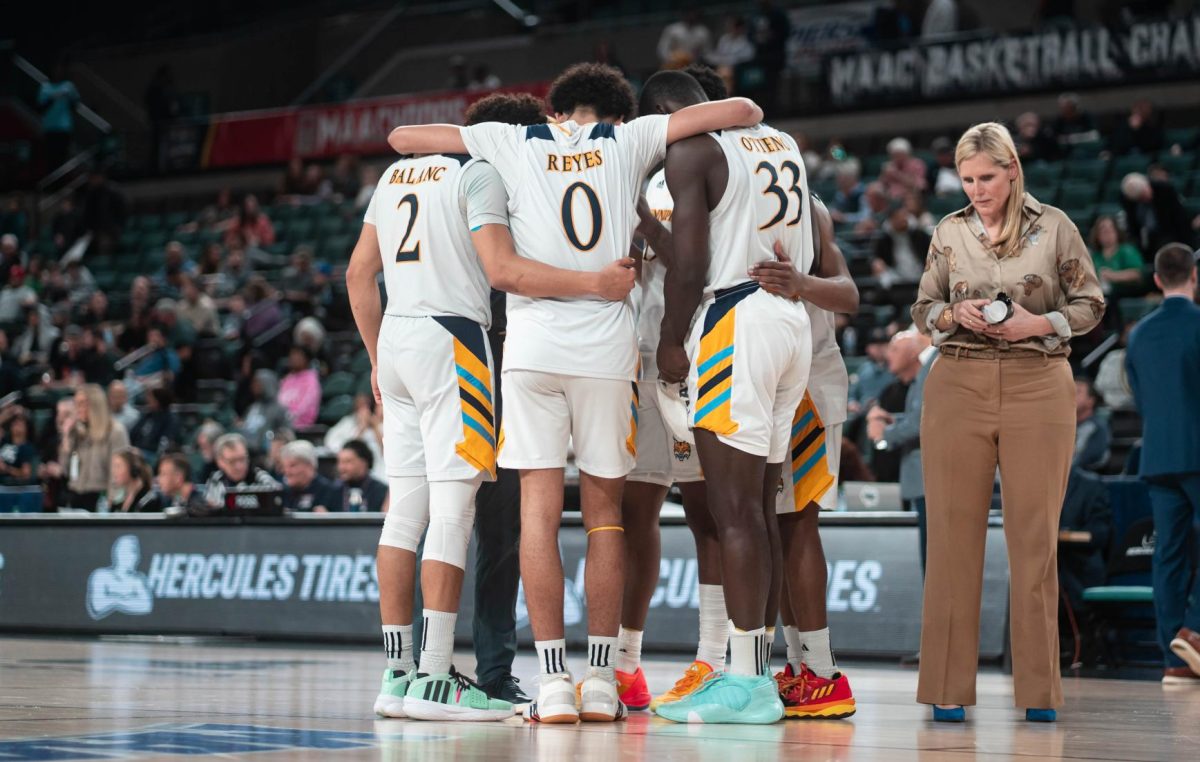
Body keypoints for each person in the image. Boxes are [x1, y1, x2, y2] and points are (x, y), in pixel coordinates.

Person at [386, 63, 764, 724]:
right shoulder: (631, 138)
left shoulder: (512, 140)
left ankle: (553, 682)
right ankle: (599, 680)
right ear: (618, 115)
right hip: (606, 352)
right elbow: (743, 112)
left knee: (536, 512)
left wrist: (484, 143)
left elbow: (402, 138)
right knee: (606, 515)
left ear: (555, 110)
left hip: (531, 349)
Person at [358, 80, 655, 721]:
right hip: (475, 349)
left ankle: (401, 674)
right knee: (472, 519)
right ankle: (454, 674)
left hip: (409, 342)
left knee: (414, 513)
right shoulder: (485, 178)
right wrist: (598, 282)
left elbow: (359, 272)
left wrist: (375, 358)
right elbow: (503, 272)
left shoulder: (395, 179)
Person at [911, 122, 1105, 723]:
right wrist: (953, 312)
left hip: (1038, 384)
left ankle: (1039, 692)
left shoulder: (1057, 227)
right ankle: (946, 688)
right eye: (968, 180)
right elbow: (922, 309)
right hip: (956, 384)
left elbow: (1091, 303)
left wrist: (1037, 324)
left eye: (987, 178)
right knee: (950, 540)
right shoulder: (948, 231)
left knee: (1033, 542)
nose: (977, 190)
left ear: (1013, 169)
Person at [649, 69, 809, 725]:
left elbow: (689, 264)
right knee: (761, 512)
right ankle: (756, 673)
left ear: (666, 116)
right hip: (788, 321)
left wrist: (669, 341)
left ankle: (745, 682)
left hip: (734, 324)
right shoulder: (778, 141)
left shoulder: (692, 150)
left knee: (734, 511)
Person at [613, 68, 732, 714]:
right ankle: (627, 663)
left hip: (694, 351)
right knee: (638, 514)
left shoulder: (710, 163)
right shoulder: (641, 172)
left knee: (707, 513)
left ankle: (711, 657)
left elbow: (697, 263)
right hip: (639, 352)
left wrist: (642, 224)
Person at [749, 195, 860, 718]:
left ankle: (823, 672)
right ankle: (799, 668)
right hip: (764, 377)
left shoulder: (810, 205)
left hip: (809, 378)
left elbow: (849, 295)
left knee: (798, 524)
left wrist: (800, 284)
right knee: (775, 525)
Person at [1123, 243, 1200, 684]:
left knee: (1167, 555)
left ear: (1155, 280)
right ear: (1193, 276)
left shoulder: (1139, 333)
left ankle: (1174, 659)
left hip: (1157, 455)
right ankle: (1194, 632)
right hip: (1196, 452)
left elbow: (1138, 393)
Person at [866, 330, 936, 571]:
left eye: (895, 348)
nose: (888, 354)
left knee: (934, 559)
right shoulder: (920, 376)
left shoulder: (932, 368)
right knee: (930, 559)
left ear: (913, 351)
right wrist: (892, 422)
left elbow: (922, 422)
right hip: (924, 482)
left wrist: (882, 435)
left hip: (932, 480)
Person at [60, 384, 131, 510]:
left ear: (95, 405)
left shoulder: (115, 432)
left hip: (100, 498)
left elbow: (118, 473)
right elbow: (65, 470)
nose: (77, 409)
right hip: (75, 496)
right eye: (76, 404)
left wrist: (112, 503)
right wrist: (66, 438)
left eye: (82, 404)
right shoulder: (76, 432)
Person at [1057, 466, 1112, 610]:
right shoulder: (1032, 484)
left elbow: (1099, 535)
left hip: (1078, 566)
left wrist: (1064, 536)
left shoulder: (1090, 485)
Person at [1120, 173, 1194, 256]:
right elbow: (1133, 225)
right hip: (1147, 234)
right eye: (1142, 197)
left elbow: (1179, 219)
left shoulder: (1165, 190)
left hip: (1168, 232)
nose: (1147, 197)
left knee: (1164, 244)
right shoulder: (1129, 201)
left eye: (1146, 192)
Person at [202, 433, 281, 509]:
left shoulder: (261, 479)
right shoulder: (215, 480)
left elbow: (278, 498)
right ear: (220, 462)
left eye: (242, 459)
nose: (239, 466)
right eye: (232, 461)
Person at [324, 393, 386, 482]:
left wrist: (375, 427)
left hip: (381, 466)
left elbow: (386, 450)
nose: (363, 410)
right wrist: (362, 428)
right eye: (360, 406)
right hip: (357, 468)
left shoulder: (384, 425)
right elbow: (349, 448)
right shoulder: (349, 423)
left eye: (366, 406)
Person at [872, 205, 931, 285]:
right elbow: (876, 258)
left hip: (921, 275)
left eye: (904, 215)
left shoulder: (920, 235)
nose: (902, 219)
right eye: (898, 217)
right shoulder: (884, 240)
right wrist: (877, 263)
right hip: (894, 277)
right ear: (891, 220)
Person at [37, 62, 80, 172]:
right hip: (49, 126)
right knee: (50, 156)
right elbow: (41, 108)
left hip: (64, 126)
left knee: (62, 155)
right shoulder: (45, 87)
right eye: (55, 70)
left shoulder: (69, 86)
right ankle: (51, 183)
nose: (58, 73)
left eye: (60, 71)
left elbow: (75, 105)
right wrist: (54, 97)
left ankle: (61, 182)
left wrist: (69, 97)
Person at [1089, 215, 1145, 298]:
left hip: (1126, 295)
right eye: (1103, 231)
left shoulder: (1127, 250)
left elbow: (1137, 274)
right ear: (1097, 235)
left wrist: (1113, 276)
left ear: (1117, 232)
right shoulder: (1094, 256)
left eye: (1110, 230)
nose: (1107, 233)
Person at [238, 369, 291, 453]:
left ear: (267, 384)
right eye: (254, 383)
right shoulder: (252, 407)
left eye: (258, 383)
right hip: (246, 449)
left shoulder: (279, 409)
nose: (254, 386)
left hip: (266, 452)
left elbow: (286, 434)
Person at [279, 440, 340, 513]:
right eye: (285, 466)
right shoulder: (282, 492)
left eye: (292, 465)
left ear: (309, 466)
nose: (287, 472)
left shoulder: (329, 492)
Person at [336, 440, 389, 512]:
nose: (341, 467)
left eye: (347, 461)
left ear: (364, 463)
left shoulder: (381, 491)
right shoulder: (333, 490)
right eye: (340, 462)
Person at [129, 387, 181, 457]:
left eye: (151, 398)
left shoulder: (171, 419)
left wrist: (141, 451)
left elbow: (164, 443)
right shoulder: (147, 415)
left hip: (154, 454)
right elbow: (133, 433)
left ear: (158, 401)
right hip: (137, 450)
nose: (147, 400)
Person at [107, 448, 162, 513]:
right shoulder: (119, 499)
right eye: (114, 467)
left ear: (133, 470)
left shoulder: (148, 500)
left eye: (118, 466)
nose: (114, 472)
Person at [278, 346, 321, 429]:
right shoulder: (287, 379)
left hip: (301, 427)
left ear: (306, 359)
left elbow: (304, 407)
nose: (293, 358)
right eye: (292, 355)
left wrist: (286, 418)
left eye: (297, 355)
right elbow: (278, 401)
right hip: (282, 425)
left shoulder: (311, 380)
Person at [1074, 378, 1111, 472]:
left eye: (1078, 392)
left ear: (1090, 401)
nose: (1071, 395)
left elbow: (1085, 459)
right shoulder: (1062, 426)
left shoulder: (1097, 428)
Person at [0, 408, 38, 487]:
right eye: (14, 423)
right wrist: (6, 415)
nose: (17, 425)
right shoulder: (4, 441)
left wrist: (6, 468)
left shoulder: (26, 447)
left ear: (26, 427)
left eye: (20, 423)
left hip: (10, 486)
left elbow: (26, 474)